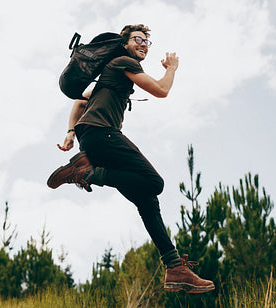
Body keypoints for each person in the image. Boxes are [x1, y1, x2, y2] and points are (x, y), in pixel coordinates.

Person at [47, 24, 214, 293]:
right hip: (102, 135)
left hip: (93, 136)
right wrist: (171, 68)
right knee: (153, 182)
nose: (144, 44)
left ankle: (174, 268)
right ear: (124, 44)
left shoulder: (112, 77)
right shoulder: (123, 62)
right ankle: (87, 173)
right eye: (138, 39)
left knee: (148, 200)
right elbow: (161, 90)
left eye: (148, 41)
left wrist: (70, 134)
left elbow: (79, 102)